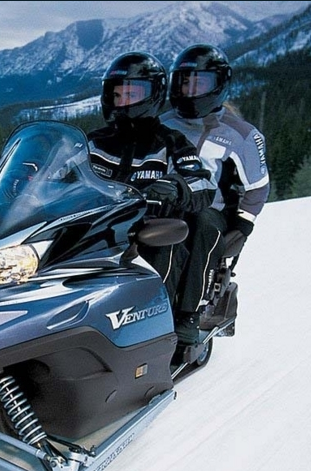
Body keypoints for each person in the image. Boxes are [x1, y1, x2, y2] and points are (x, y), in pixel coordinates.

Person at [86, 51, 217, 312]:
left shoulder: (171, 142)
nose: (123, 101)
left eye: (131, 94)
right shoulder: (94, 142)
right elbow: (60, 173)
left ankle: (161, 317)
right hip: (96, 228)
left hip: (146, 232)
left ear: (153, 94)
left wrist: (176, 187)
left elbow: (203, 183)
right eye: (117, 94)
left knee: (163, 245)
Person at [160, 44, 270, 347]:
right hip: (165, 203)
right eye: (185, 83)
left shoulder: (241, 135)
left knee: (201, 226)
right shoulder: (162, 124)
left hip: (211, 209)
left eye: (200, 84)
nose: (191, 91)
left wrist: (243, 225)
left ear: (218, 85)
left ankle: (188, 314)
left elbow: (258, 185)